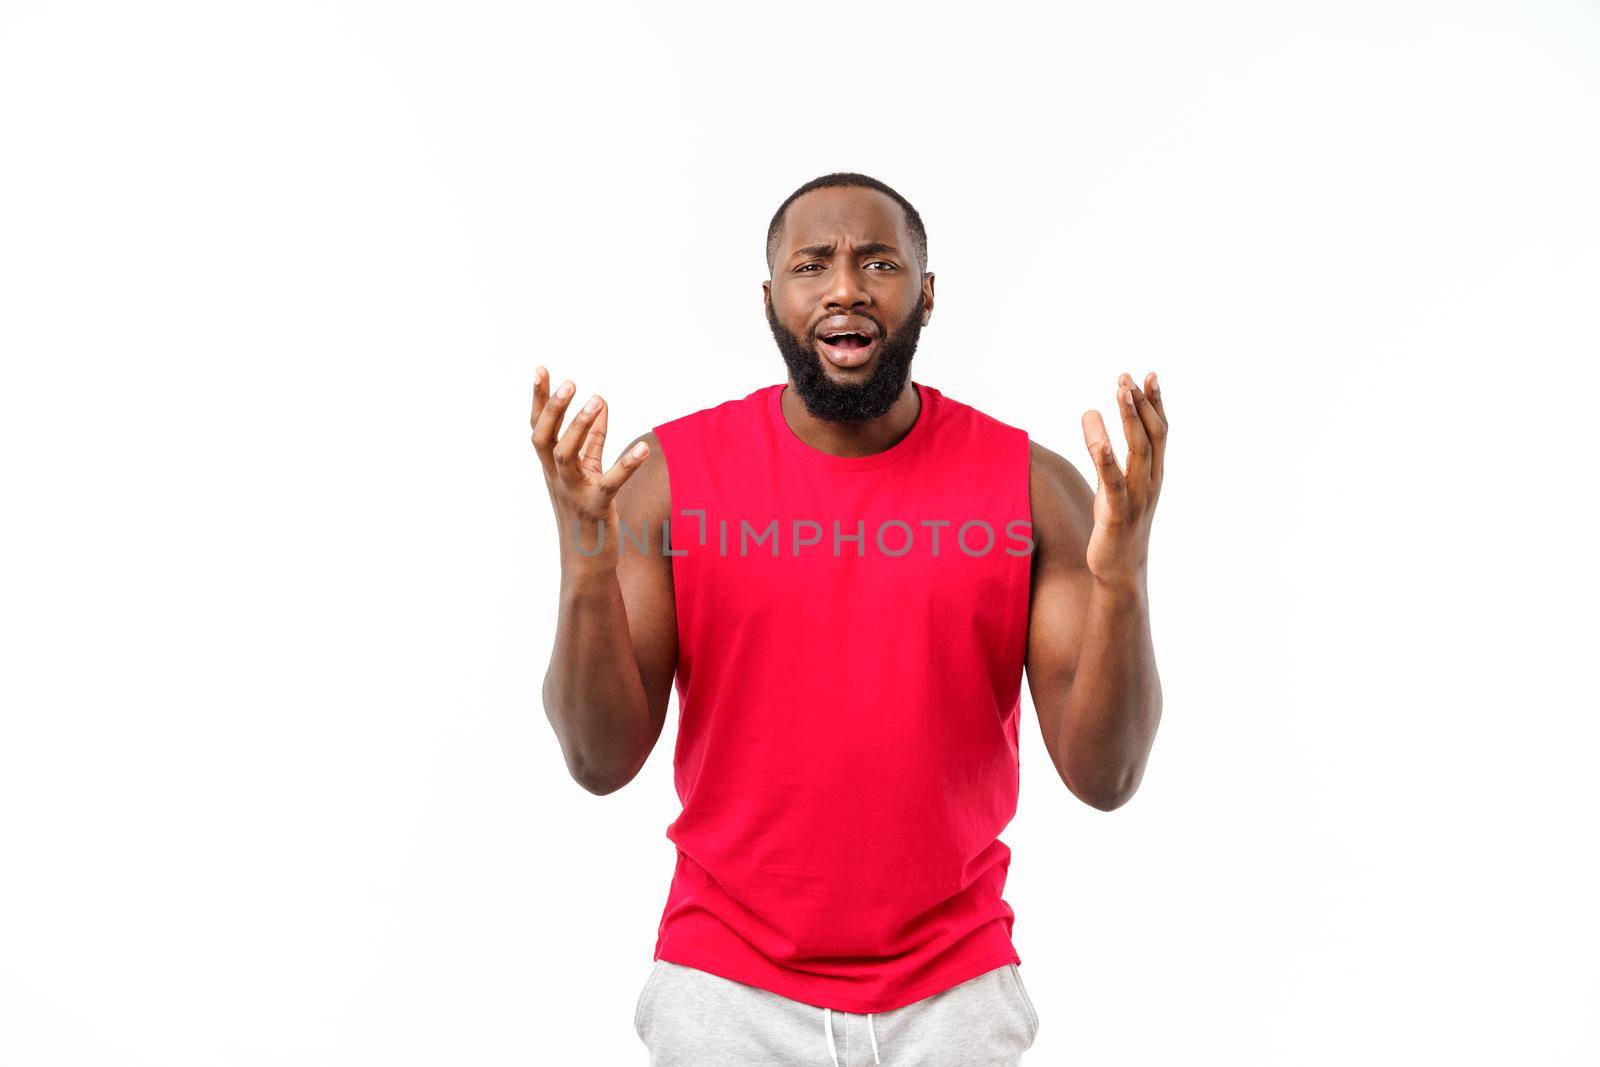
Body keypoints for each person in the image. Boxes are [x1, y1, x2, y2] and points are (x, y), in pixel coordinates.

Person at [531, 172, 1167, 1065]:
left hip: (952, 1000)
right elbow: (598, 761)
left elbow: (1109, 776)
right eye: (812, 264)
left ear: (926, 294)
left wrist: (1126, 579)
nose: (845, 287)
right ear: (771, 300)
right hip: (726, 992)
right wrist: (585, 560)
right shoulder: (669, 478)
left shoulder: (1034, 489)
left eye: (879, 262)